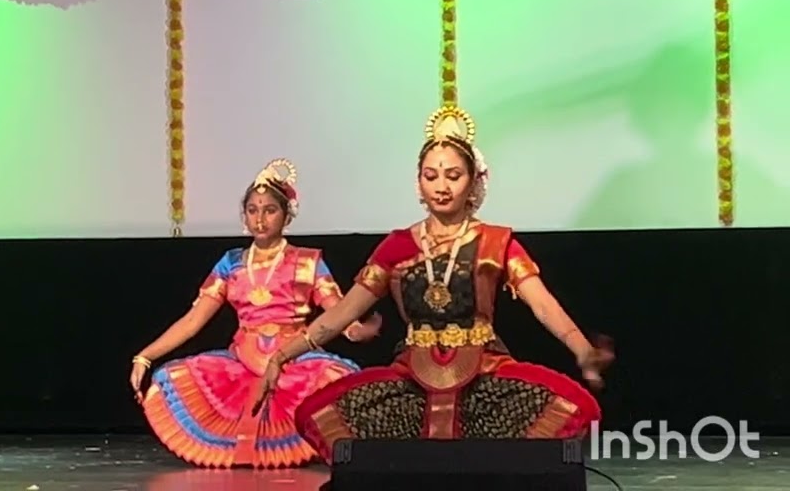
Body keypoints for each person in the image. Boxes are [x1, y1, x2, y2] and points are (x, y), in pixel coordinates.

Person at [254, 107, 613, 456]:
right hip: (413, 375)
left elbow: (543, 304)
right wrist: (282, 357)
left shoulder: (496, 242)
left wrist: (583, 350)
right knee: (322, 413)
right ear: (419, 182)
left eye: (453, 176)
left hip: (485, 371)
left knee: (572, 406)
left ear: (474, 181)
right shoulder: (396, 246)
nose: (441, 186)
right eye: (431, 176)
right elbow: (344, 311)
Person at [131, 159, 382, 468]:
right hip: (241, 364)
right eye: (253, 210)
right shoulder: (231, 264)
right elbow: (194, 320)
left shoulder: (306, 262)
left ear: (286, 215)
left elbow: (337, 313)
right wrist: (145, 355)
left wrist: (356, 330)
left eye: (269, 210)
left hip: (294, 363)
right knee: (171, 378)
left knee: (340, 380)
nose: (260, 219)